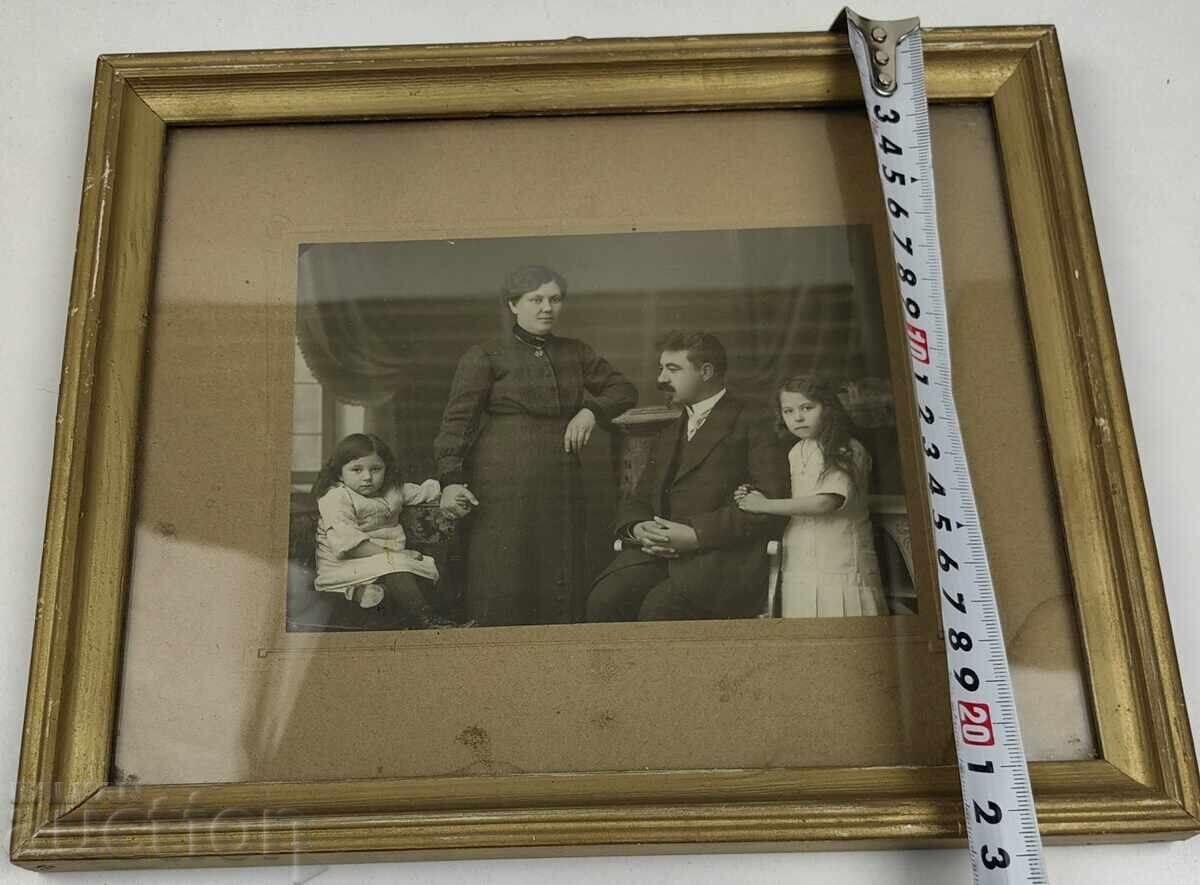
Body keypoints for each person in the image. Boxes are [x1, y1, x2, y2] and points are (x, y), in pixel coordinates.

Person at [433, 265, 639, 626]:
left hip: (560, 478)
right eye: (536, 299)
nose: (547, 308)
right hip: (501, 478)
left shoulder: (575, 352)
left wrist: (591, 411)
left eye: (555, 299)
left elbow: (624, 390)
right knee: (505, 570)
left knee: (558, 567)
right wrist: (451, 479)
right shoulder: (485, 354)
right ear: (513, 305)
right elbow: (457, 423)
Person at [586, 331, 788, 621]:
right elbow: (638, 498)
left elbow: (771, 504)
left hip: (720, 561)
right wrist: (639, 528)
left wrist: (695, 535)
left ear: (706, 371)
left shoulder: (753, 422)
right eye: (661, 368)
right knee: (604, 601)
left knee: (660, 611)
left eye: (673, 369)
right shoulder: (670, 431)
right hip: (658, 556)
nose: (661, 379)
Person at [734, 375, 886, 617]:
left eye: (807, 408)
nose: (798, 417)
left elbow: (825, 502)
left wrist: (763, 505)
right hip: (800, 555)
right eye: (788, 411)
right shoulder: (797, 451)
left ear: (828, 408)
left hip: (839, 554)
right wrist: (755, 494)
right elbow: (796, 497)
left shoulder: (846, 447)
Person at [312, 432, 474, 629]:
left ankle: (371, 596)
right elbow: (349, 545)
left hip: (386, 561)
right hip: (345, 563)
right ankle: (428, 622)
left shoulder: (392, 490)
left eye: (375, 469)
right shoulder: (336, 497)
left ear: (386, 469)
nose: (367, 477)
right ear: (340, 473)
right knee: (399, 569)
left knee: (424, 572)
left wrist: (454, 492)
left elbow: (425, 491)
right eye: (356, 469)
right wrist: (397, 554)